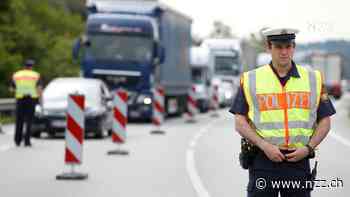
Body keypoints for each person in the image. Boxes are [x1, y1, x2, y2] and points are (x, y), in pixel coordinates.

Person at [229, 28, 336, 197]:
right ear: (268, 47)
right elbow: (239, 122)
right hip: (263, 160)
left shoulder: (313, 78)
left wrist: (308, 148)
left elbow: (325, 121)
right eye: (278, 47)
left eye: (288, 46)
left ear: (294, 47)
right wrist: (264, 146)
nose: (284, 52)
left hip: (298, 162)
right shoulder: (251, 79)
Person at [11, 59, 42, 147]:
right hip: (31, 99)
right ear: (32, 66)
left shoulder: (16, 75)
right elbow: (39, 88)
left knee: (19, 120)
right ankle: (27, 141)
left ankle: (17, 140)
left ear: (24, 66)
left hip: (20, 99)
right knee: (29, 121)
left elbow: (12, 88)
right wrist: (40, 100)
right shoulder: (36, 75)